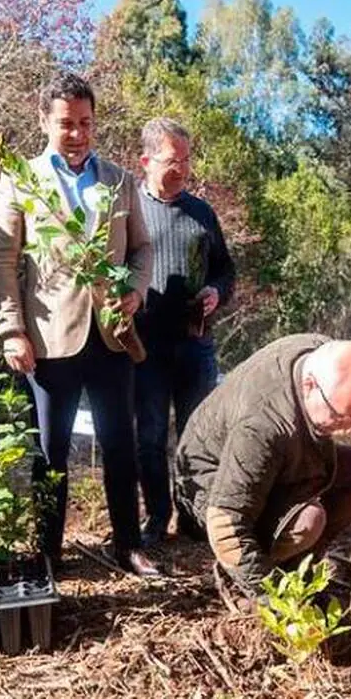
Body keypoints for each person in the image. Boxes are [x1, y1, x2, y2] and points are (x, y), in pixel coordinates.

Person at [0, 72, 159, 577]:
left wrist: (136, 289)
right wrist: (11, 329)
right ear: (44, 121)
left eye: (85, 123)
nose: (78, 134)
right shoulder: (20, 178)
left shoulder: (121, 181)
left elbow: (143, 246)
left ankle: (127, 544)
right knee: (50, 450)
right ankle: (47, 554)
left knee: (119, 444)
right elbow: (2, 259)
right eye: (66, 124)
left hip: (110, 334)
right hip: (48, 337)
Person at [173, 335, 351, 604]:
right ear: (310, 385)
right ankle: (249, 576)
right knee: (307, 520)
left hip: (276, 464)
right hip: (212, 485)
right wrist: (275, 599)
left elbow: (349, 397)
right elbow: (226, 524)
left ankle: (299, 568)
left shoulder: (322, 354)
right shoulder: (262, 425)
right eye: (340, 417)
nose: (347, 428)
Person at [132, 117, 235, 548]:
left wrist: (216, 291)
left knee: (198, 434)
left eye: (187, 160)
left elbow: (225, 269)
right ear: (146, 161)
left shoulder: (202, 212)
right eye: (173, 160)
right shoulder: (130, 211)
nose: (183, 169)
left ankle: (193, 517)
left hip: (196, 345)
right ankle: (157, 515)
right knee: (151, 436)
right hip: (146, 346)